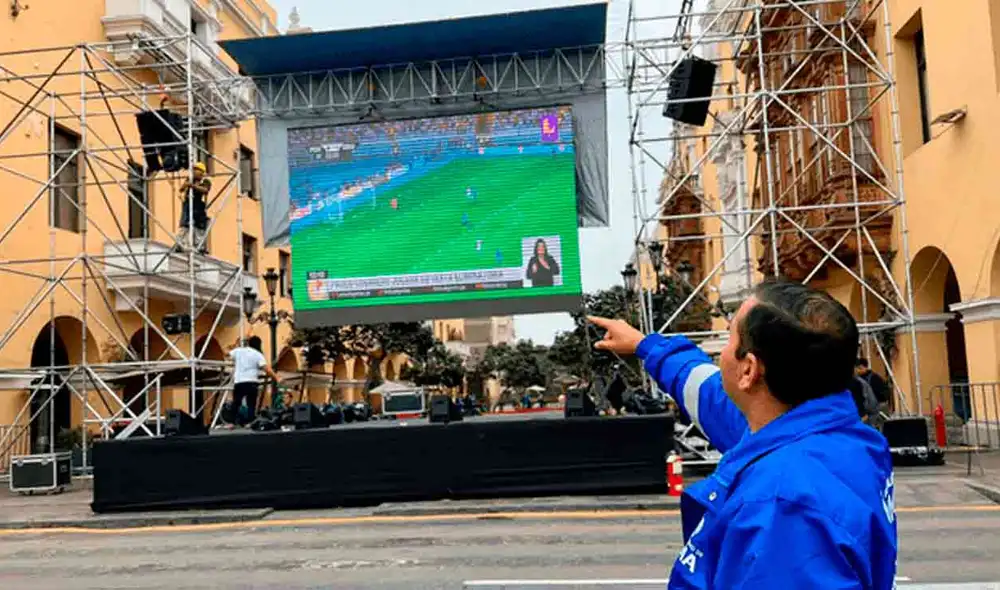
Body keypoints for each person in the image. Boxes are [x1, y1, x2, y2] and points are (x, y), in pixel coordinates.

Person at [589, 279, 896, 589]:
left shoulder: (781, 507)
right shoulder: (828, 435)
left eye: (728, 338)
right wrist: (646, 345)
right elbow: (708, 393)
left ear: (748, 370)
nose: (721, 354)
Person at [228, 335, 279, 427]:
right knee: (251, 403)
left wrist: (235, 345)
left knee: (236, 402)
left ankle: (231, 423)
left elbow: (227, 354)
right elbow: (266, 368)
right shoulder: (258, 354)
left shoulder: (239, 351)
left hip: (239, 381)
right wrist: (277, 378)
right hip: (252, 381)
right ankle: (250, 422)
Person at [177, 162, 212, 254]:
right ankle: (180, 244)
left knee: (198, 227)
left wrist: (192, 186)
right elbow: (181, 189)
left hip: (198, 206)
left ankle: (199, 246)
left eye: (196, 170)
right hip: (188, 205)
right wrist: (186, 184)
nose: (194, 172)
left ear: (201, 172)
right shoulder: (190, 179)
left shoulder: (205, 181)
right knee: (185, 226)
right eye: (194, 170)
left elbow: (205, 190)